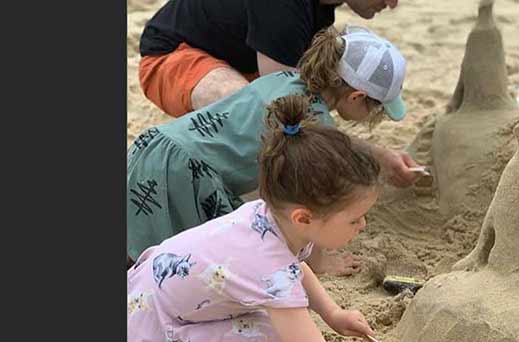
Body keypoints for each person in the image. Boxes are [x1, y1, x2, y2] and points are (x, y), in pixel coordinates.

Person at [127, 94, 434, 342]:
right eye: (354, 220)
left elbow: (297, 267)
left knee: (281, 323)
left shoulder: (269, 218)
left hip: (153, 304)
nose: (363, 227)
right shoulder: (269, 266)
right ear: (304, 217)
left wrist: (332, 313)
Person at [128, 25, 423, 275]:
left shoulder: (283, 80)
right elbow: (314, 198)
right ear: (357, 96)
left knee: (134, 247)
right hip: (188, 174)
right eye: (378, 108)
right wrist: (321, 262)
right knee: (175, 266)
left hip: (156, 146)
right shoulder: (315, 123)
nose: (377, 116)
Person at [138, 0, 400, 117]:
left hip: (240, 61)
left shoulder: (321, 10)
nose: (393, 3)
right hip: (172, 57)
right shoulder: (283, 7)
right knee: (259, 115)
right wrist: (371, 155)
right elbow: (281, 106)